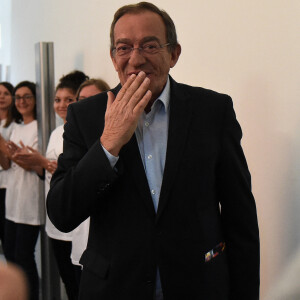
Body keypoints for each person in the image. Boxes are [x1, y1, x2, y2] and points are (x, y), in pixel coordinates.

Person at [47, 2, 260, 300]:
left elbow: (241, 218)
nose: (136, 58)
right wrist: (108, 143)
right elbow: (61, 212)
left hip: (198, 286)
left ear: (173, 54)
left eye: (149, 45)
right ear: (113, 57)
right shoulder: (86, 116)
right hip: (113, 288)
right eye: (123, 47)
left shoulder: (213, 111)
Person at [14, 71, 88, 300]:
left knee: (79, 286)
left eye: (69, 99)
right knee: (66, 280)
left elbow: (78, 177)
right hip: (55, 223)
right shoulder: (56, 132)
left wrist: (42, 162)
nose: (62, 104)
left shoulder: (84, 132)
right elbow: (48, 173)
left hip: (77, 226)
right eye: (57, 99)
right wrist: (28, 160)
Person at [1, 81, 43, 300]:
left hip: (29, 202)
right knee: (10, 253)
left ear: (35, 99)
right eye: (18, 97)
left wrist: (7, 148)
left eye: (27, 96)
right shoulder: (16, 126)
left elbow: (32, 165)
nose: (22, 101)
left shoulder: (39, 127)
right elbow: (7, 165)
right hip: (12, 202)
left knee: (24, 257)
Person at [71, 78, 110, 284]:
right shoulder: (73, 132)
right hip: (80, 233)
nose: (85, 105)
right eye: (81, 99)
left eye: (92, 99)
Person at [0, 82, 20, 250]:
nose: (1, 96)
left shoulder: (16, 124)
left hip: (7, 185)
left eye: (6, 93)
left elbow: (9, 159)